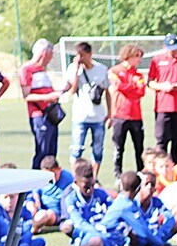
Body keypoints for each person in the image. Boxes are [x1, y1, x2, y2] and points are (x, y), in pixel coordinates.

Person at [51, 159, 121, 246]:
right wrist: (99, 232)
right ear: (76, 183)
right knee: (97, 242)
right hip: (87, 235)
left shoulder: (101, 194)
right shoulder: (71, 198)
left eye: (92, 185)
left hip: (105, 235)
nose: (90, 190)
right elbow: (79, 223)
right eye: (86, 187)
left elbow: (113, 214)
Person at [103, 170, 177, 246]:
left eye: (152, 184)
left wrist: (159, 235)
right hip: (111, 238)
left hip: (150, 234)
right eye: (146, 184)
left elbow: (170, 218)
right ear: (139, 188)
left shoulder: (156, 202)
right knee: (132, 232)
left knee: (175, 226)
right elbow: (143, 231)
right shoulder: (129, 204)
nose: (149, 187)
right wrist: (160, 243)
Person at [147, 34, 177, 162]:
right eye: (171, 49)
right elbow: (150, 82)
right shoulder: (157, 60)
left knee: (176, 143)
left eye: (176, 48)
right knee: (161, 142)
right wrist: (162, 86)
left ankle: (174, 169)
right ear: (165, 47)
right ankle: (160, 168)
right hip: (163, 107)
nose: (174, 51)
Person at [63, 41, 110, 167]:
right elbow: (72, 91)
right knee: (76, 149)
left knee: (98, 150)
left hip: (98, 116)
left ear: (90, 54)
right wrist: (76, 70)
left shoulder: (101, 69)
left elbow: (107, 91)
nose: (80, 58)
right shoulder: (73, 69)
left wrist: (110, 113)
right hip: (80, 116)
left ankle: (94, 176)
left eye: (82, 55)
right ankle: (76, 175)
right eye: (77, 55)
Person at [20, 38, 63, 170]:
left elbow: (46, 90)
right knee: (42, 152)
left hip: (50, 114)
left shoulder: (42, 69)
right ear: (44, 53)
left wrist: (60, 91)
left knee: (51, 153)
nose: (52, 57)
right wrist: (48, 97)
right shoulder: (27, 69)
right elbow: (27, 96)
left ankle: (51, 179)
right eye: (51, 53)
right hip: (39, 115)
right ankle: (36, 181)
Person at [109, 46, 148, 178]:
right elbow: (118, 86)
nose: (139, 59)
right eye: (137, 56)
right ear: (129, 55)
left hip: (136, 116)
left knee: (139, 147)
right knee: (119, 147)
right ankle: (118, 174)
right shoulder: (114, 71)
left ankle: (141, 173)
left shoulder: (138, 75)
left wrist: (128, 87)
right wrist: (133, 85)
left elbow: (141, 91)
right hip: (120, 115)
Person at [26, 155, 72, 231]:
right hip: (40, 206)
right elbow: (35, 191)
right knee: (30, 207)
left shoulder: (68, 178)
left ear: (59, 169)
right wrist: (37, 200)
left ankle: (29, 228)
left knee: (43, 215)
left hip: (55, 212)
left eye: (53, 175)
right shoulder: (41, 177)